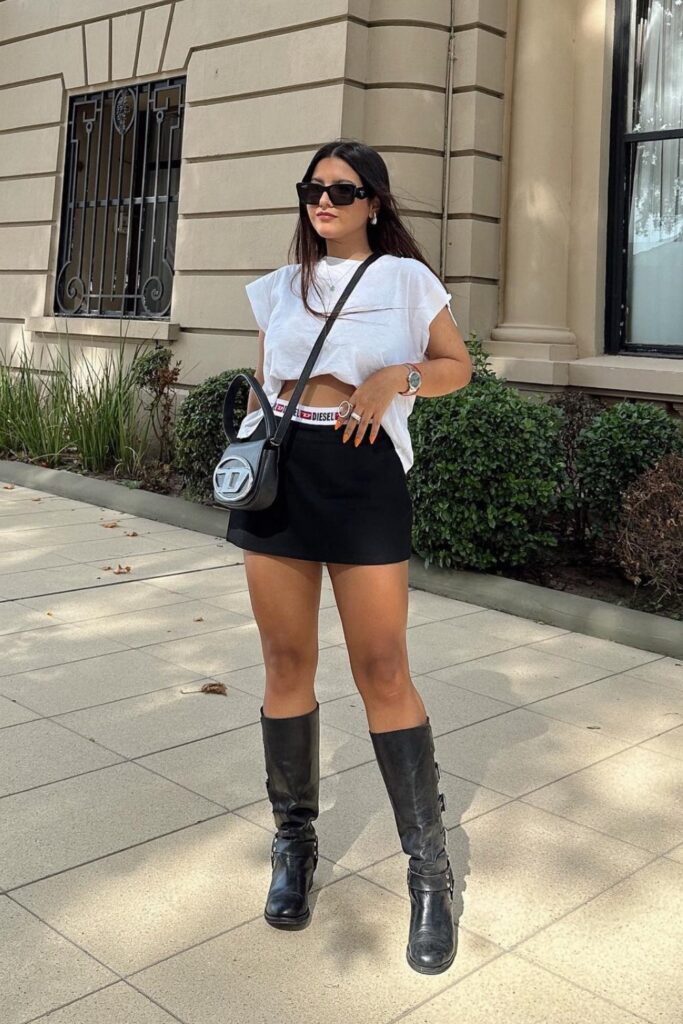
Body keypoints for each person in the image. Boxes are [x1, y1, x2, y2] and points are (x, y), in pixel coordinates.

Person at [225, 139, 472, 975]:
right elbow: (266, 385)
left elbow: (456, 368)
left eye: (340, 189)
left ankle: (428, 873)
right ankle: (294, 844)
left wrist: (396, 377)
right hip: (285, 471)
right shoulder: (279, 286)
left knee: (382, 667)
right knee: (285, 660)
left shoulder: (405, 279)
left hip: (363, 473)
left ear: (373, 201)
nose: (322, 201)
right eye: (312, 189)